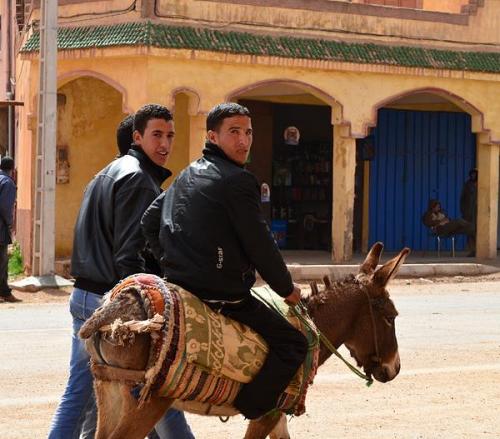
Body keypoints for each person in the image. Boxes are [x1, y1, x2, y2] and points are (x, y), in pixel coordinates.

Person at [142, 102, 308, 420]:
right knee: (294, 344)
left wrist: (168, 263)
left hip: (178, 285)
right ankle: (252, 406)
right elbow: (261, 245)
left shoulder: (188, 173)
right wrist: (286, 288)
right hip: (222, 295)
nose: (243, 141)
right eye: (234, 132)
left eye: (248, 132)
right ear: (213, 137)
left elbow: (149, 221)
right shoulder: (238, 181)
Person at [48, 105, 194, 439]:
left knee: (90, 398)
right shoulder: (139, 180)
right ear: (137, 137)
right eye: (156, 135)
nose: (165, 144)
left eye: (170, 135)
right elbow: (130, 255)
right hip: (110, 302)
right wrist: (144, 308)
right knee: (148, 396)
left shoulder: (106, 172)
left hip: (85, 295)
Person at [0, 156, 21, 303]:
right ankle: (4, 292)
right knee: (2, 262)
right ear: (12, 169)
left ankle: (4, 292)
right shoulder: (8, 183)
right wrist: (9, 224)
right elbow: (5, 207)